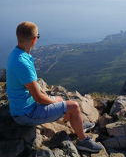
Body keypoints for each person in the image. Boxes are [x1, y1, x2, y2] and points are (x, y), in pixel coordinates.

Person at [6, 21, 102, 153]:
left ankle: (78, 124)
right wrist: (55, 101)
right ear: (34, 39)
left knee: (58, 98)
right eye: (38, 36)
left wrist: (51, 98)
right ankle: (82, 141)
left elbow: (34, 87)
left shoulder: (17, 54)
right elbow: (39, 98)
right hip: (26, 114)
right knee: (73, 106)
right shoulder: (22, 63)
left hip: (24, 107)